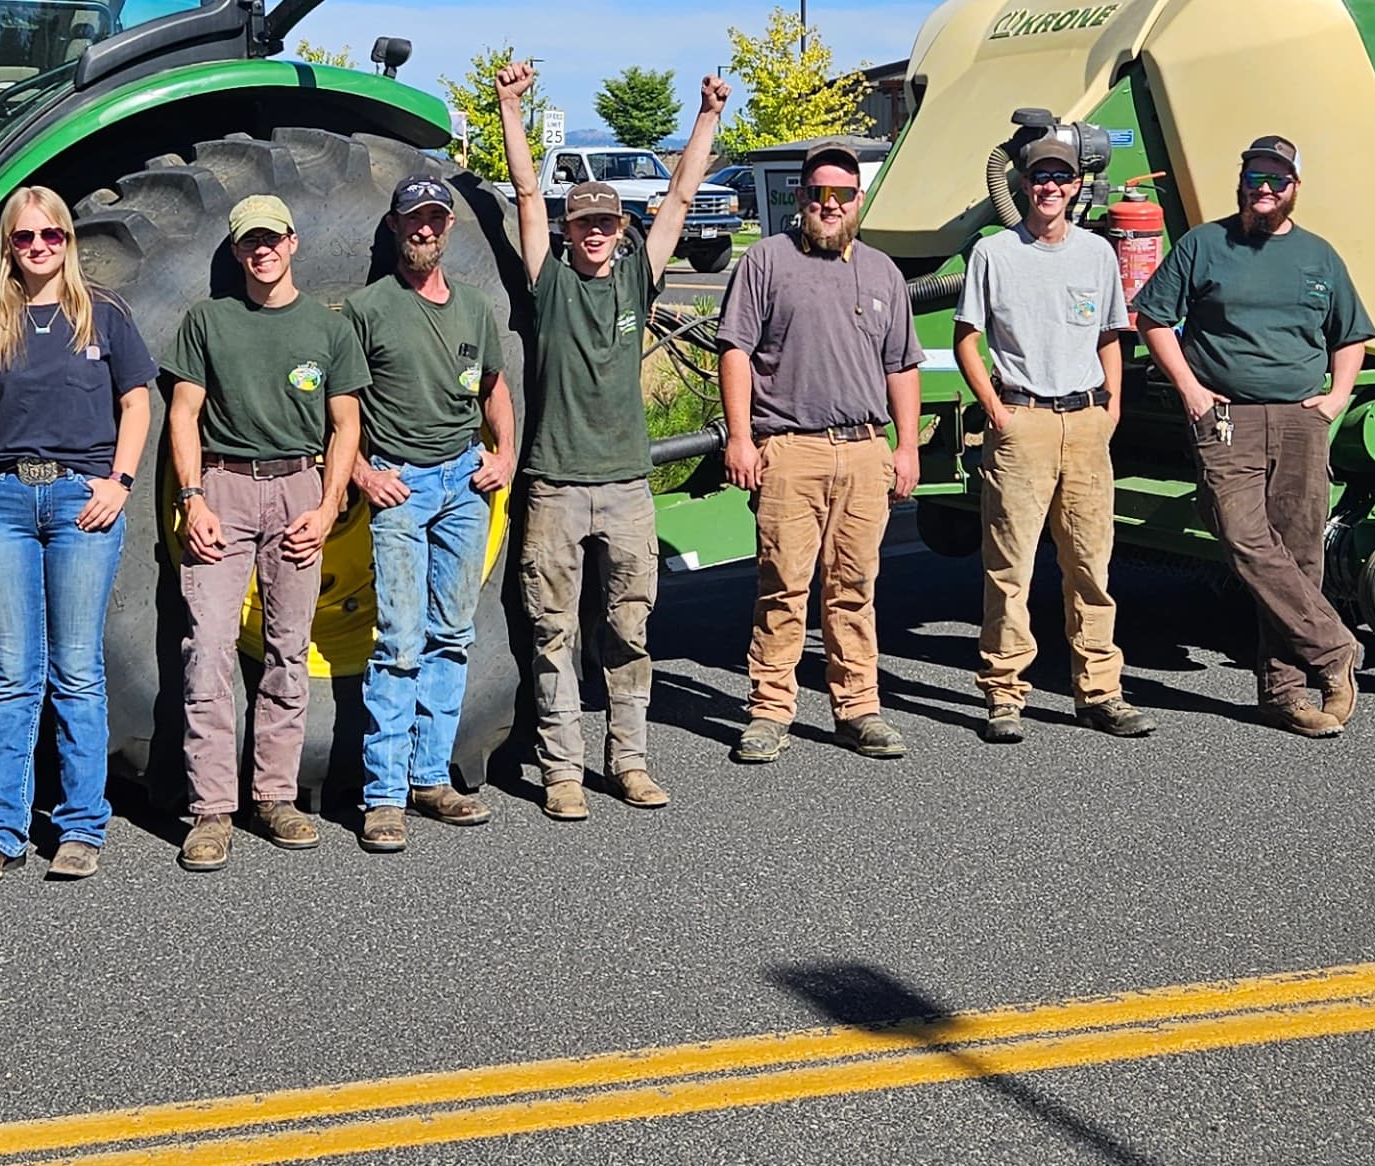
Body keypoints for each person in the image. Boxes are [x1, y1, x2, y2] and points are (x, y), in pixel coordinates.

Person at [492, 60, 725, 819]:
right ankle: (561, 771)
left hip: (626, 485)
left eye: (608, 224)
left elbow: (684, 196)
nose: (596, 234)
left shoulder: (635, 280)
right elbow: (526, 191)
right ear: (568, 231)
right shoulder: (549, 280)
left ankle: (628, 761)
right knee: (553, 633)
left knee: (629, 629)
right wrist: (510, 108)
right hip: (555, 484)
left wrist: (707, 116)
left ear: (621, 231)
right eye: (584, 224)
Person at [1134, 135, 1375, 737]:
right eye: (1254, 178)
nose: (1263, 189)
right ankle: (1335, 649)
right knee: (1242, 538)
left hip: (1300, 418)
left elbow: (1352, 335)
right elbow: (1153, 318)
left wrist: (1335, 399)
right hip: (1225, 416)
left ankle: (1285, 692)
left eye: (1276, 180)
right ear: (1241, 182)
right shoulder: (1204, 245)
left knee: (1299, 552)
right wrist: (1190, 390)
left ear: (1295, 188)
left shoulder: (1319, 256)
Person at [0, 186, 157, 884]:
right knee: (14, 675)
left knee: (77, 671)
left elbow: (137, 402)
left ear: (67, 242)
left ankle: (79, 828)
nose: (38, 248)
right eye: (24, 238)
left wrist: (119, 483)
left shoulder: (104, 315)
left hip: (81, 502)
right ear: (7, 247)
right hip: (3, 503)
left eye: (50, 236)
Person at [162, 194, 368, 869]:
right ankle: (212, 811)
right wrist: (193, 499)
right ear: (238, 249)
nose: (263, 251)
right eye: (250, 241)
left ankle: (275, 798)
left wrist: (329, 503)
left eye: (272, 239)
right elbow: (183, 415)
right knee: (210, 650)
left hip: (298, 494)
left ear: (293, 241)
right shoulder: (208, 322)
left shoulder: (328, 330)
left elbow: (345, 425)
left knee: (288, 650)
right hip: (222, 487)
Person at [715, 141, 923, 764]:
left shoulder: (884, 271)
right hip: (789, 450)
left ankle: (858, 709)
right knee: (783, 586)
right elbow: (735, 353)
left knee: (854, 586)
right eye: (818, 194)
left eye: (842, 195)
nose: (829, 205)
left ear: (858, 201)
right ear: (800, 199)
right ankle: (770, 711)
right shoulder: (766, 261)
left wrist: (905, 447)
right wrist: (741, 437)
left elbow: (902, 366)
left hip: (864, 451)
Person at [954, 127, 1152, 744]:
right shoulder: (994, 253)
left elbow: (1110, 336)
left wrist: (1111, 409)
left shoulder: (1096, 253)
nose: (1049, 187)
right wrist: (996, 406)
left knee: (1091, 566)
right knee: (1009, 568)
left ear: (1075, 187)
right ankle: (1005, 695)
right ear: (1022, 184)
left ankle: (1099, 692)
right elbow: (968, 338)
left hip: (1087, 422)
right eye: (1039, 176)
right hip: (1023, 423)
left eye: (1060, 178)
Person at [343, 173, 518, 852]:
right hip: (401, 485)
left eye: (436, 219)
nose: (425, 229)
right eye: (413, 219)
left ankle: (430, 776)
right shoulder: (369, 309)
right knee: (399, 639)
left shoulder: (474, 308)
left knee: (453, 634)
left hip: (463, 486)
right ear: (394, 226)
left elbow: (495, 392)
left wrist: (503, 455)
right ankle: (383, 797)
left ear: (449, 228)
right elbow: (343, 411)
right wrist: (361, 472)